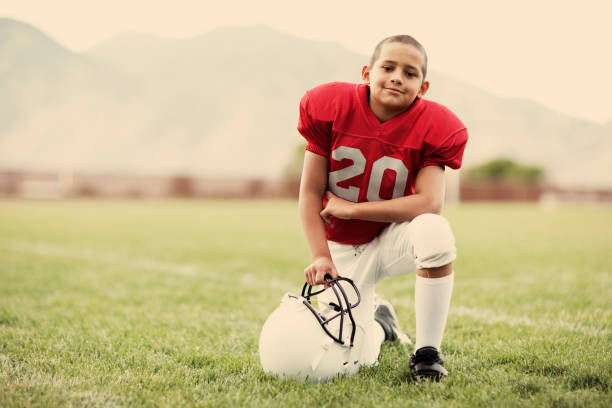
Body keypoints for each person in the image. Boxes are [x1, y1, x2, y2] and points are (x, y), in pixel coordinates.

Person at [297, 34, 468, 382]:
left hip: (391, 237)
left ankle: (427, 354)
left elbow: (430, 203)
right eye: (388, 68)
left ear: (423, 87)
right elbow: (310, 193)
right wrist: (320, 255)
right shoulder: (331, 106)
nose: (397, 78)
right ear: (366, 73)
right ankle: (380, 321)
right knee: (348, 359)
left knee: (435, 232)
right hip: (342, 248)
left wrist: (352, 210)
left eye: (410, 73)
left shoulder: (435, 126)